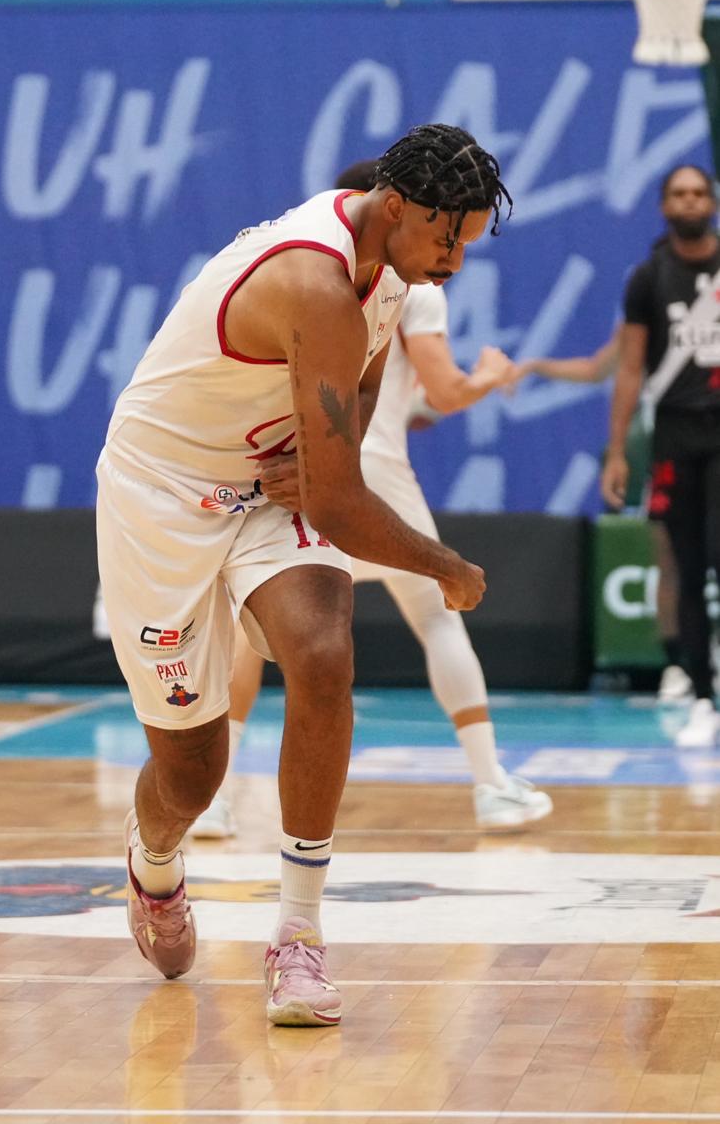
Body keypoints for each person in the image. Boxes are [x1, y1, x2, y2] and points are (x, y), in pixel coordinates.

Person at [96, 124, 512, 1027]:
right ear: (396, 206)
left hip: (263, 485)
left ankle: (299, 936)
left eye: (468, 244)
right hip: (162, 493)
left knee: (323, 656)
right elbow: (340, 508)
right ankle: (154, 866)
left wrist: (328, 458)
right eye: (448, 239)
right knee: (193, 772)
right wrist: (446, 566)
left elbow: (359, 386)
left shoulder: (390, 270)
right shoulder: (313, 280)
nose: (455, 262)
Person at [190, 159, 552, 842]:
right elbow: (444, 390)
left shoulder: (314, 268)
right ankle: (491, 785)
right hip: (362, 471)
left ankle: (215, 801)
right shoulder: (407, 279)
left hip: (303, 460)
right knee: (439, 616)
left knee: (249, 634)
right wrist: (489, 376)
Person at [601, 164, 720, 747]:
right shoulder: (648, 278)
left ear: (712, 202)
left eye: (699, 192)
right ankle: (701, 696)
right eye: (679, 193)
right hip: (675, 434)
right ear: (663, 206)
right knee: (689, 567)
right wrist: (617, 451)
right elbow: (629, 369)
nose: (690, 201)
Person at [516, 327, 693, 705]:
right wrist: (535, 366)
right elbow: (596, 368)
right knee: (669, 561)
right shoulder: (649, 311)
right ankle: (678, 664)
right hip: (672, 453)